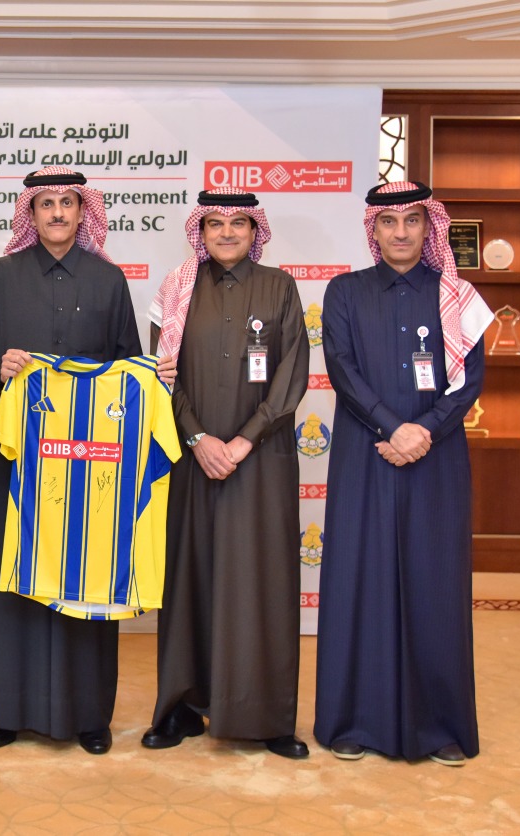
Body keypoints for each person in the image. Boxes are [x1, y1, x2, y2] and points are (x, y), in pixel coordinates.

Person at [0, 166, 153, 755]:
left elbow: (130, 366)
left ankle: (89, 715)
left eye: (68, 203)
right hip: (15, 457)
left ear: (82, 211)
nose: (58, 214)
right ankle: (9, 711)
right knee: (10, 579)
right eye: (46, 204)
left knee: (90, 576)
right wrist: (0, 369)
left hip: (90, 463)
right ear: (31, 212)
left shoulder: (109, 279)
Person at [314, 181, 492, 766]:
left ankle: (439, 727)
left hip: (436, 461)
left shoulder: (457, 295)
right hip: (366, 456)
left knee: (434, 585)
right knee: (359, 581)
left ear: (427, 226)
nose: (400, 233)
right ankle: (352, 721)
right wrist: (394, 427)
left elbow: (469, 381)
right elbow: (342, 368)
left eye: (411, 222)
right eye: (388, 223)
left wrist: (424, 433)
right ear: (374, 230)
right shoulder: (344, 291)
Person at [143, 187, 310, 759]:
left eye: (239, 223)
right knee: (189, 579)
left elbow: (291, 375)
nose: (228, 233)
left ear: (255, 230)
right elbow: (160, 377)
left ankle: (266, 718)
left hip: (260, 461)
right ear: (201, 230)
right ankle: (181, 708)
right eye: (215, 223)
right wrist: (196, 437)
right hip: (192, 459)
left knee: (259, 583)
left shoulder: (280, 286)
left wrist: (241, 441)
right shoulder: (176, 288)